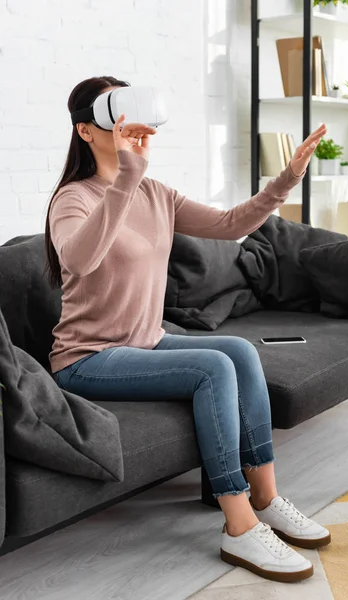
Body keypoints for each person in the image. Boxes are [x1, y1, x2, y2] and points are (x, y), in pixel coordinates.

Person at [45, 76, 329, 584]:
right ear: (87, 131)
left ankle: (265, 495)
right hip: (86, 358)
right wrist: (127, 178)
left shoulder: (155, 192)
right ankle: (238, 526)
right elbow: (81, 260)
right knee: (212, 366)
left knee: (239, 351)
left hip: (144, 342)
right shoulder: (74, 199)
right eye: (116, 113)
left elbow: (231, 225)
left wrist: (285, 179)